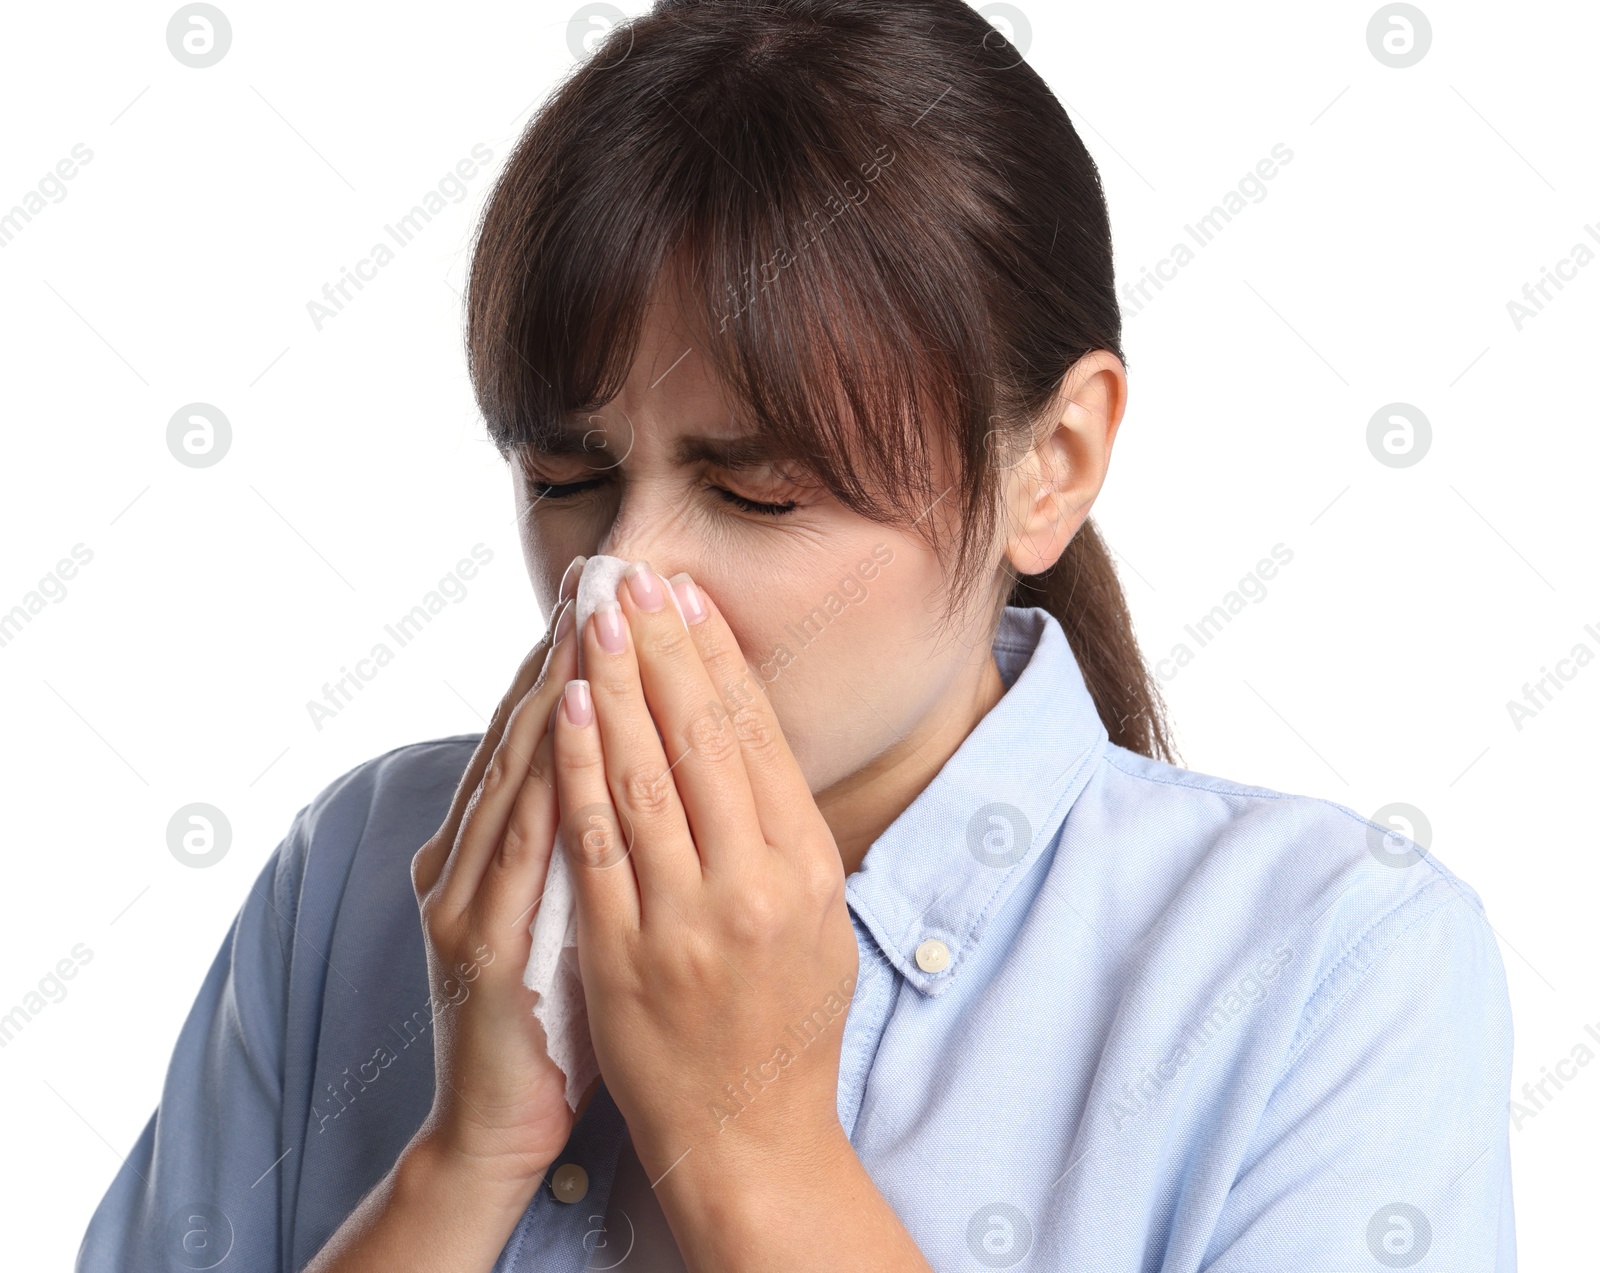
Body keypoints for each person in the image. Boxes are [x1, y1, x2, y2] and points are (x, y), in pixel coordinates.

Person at [76, 1, 1515, 1269]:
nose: (625, 577)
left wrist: (748, 1139)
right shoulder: (363, 872)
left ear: (1053, 461)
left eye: (758, 490)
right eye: (566, 480)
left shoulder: (1332, 957)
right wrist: (461, 1166)